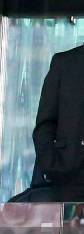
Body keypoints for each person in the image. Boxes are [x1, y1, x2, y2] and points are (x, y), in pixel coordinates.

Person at [31, 45, 84, 201]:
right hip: (70, 174)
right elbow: (45, 125)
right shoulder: (65, 62)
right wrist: (52, 164)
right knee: (71, 225)